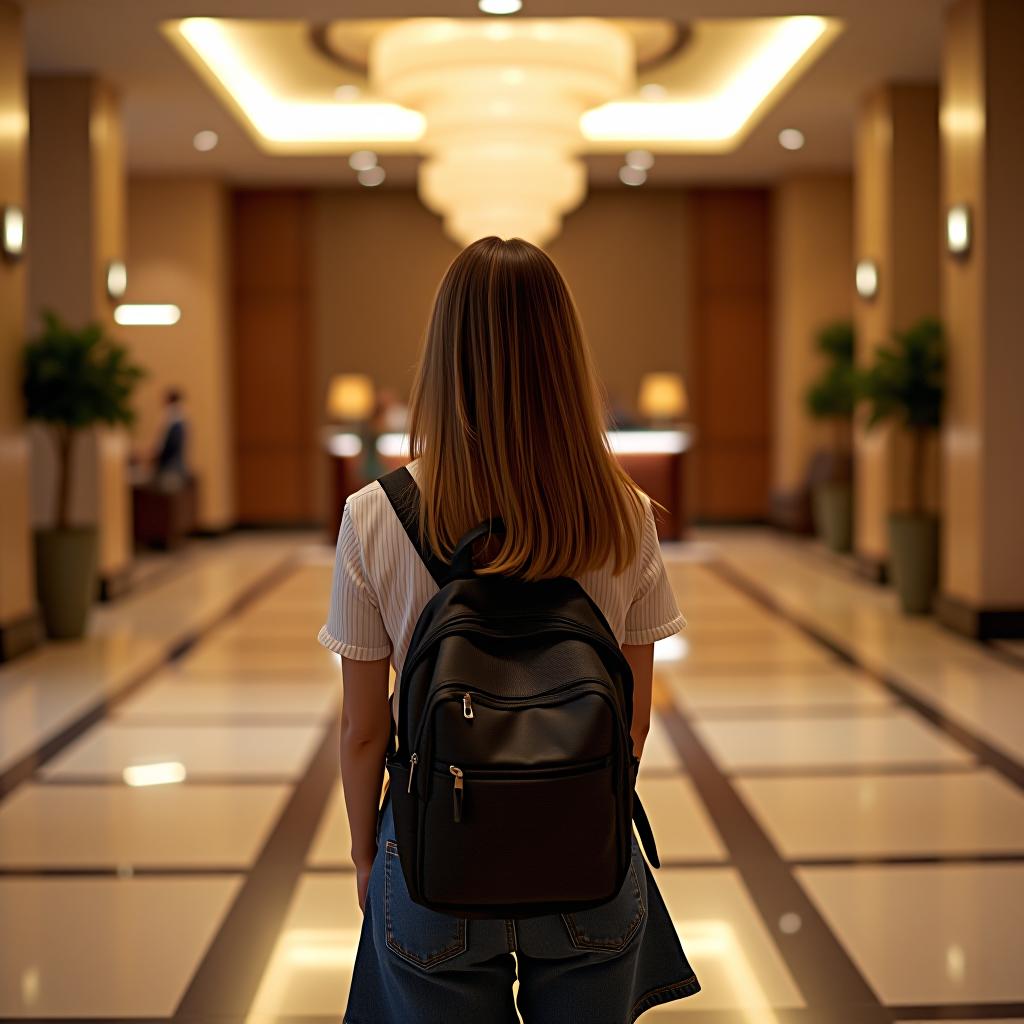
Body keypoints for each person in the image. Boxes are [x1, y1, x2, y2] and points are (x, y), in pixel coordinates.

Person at [318, 237, 701, 1023]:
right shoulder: (624, 513)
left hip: (433, 862)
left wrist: (368, 854)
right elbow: (632, 718)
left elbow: (364, 730)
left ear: (442, 356)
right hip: (587, 857)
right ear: (564, 355)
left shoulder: (375, 516)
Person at [151, 387, 188, 490]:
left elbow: (170, 446)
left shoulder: (175, 422)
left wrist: (157, 457)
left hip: (171, 467)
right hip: (172, 466)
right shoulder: (177, 420)